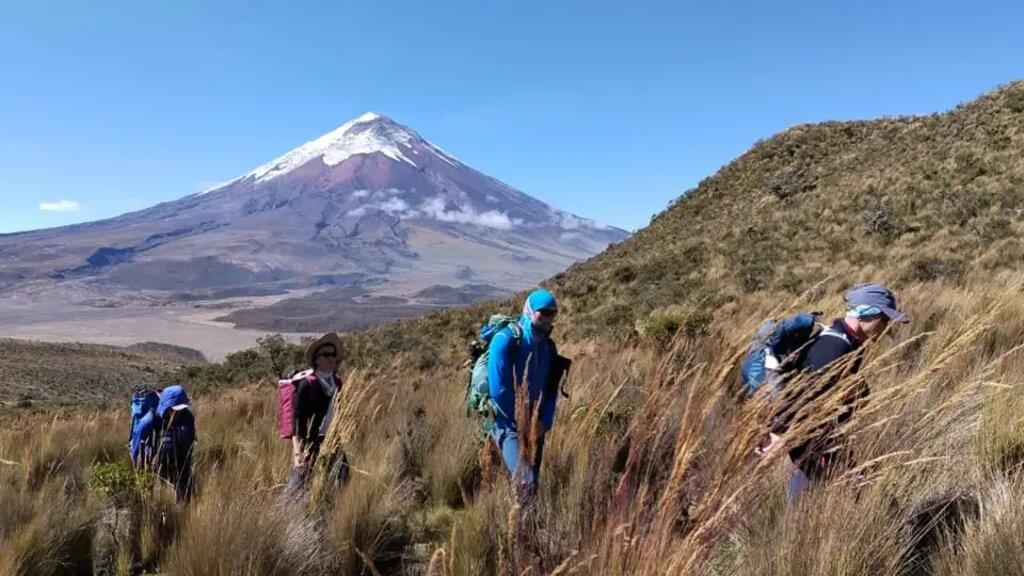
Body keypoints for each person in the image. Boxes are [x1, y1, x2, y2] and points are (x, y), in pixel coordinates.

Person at [774, 282, 909, 502]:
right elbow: (806, 408)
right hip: (814, 448)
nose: (885, 327)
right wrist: (836, 463)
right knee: (823, 505)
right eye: (883, 319)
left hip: (821, 447)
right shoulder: (834, 347)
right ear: (867, 313)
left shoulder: (845, 343)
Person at [488, 289, 566, 494]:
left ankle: (527, 523)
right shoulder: (505, 340)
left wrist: (543, 421)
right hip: (508, 425)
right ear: (530, 311)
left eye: (553, 313)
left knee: (532, 482)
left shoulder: (548, 347)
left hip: (535, 425)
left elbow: (551, 389)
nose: (548, 317)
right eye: (544, 312)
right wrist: (520, 422)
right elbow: (499, 390)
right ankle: (518, 524)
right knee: (525, 483)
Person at [288, 332, 343, 492]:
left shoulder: (337, 382)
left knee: (340, 481)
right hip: (310, 443)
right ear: (316, 359)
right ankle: (289, 513)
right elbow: (298, 421)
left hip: (333, 439)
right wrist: (298, 452)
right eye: (326, 355)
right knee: (299, 486)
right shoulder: (308, 384)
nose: (331, 358)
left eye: (333, 354)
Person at [155, 384, 196, 504]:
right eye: (175, 409)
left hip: (182, 463)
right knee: (162, 496)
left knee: (184, 497)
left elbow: (190, 439)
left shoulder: (188, 418)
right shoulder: (154, 420)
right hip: (161, 466)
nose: (179, 412)